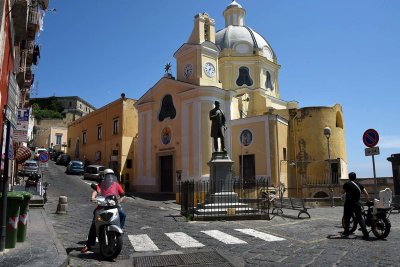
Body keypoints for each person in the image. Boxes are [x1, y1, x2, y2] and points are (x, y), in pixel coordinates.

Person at [81, 169, 126, 253]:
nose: (110, 178)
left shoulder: (116, 185)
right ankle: (89, 244)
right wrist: (93, 197)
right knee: (94, 223)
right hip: (102, 206)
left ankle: (119, 230)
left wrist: (119, 201)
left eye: (112, 176)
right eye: (108, 176)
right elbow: (96, 191)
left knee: (123, 214)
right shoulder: (102, 184)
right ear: (105, 177)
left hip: (114, 205)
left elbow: (123, 195)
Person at [342, 172, 370, 239]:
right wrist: (368, 201)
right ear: (355, 177)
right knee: (360, 218)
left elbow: (342, 192)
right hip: (357, 203)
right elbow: (366, 194)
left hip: (348, 203)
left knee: (347, 218)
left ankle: (346, 232)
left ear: (349, 177)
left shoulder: (346, 184)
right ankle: (365, 233)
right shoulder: (359, 184)